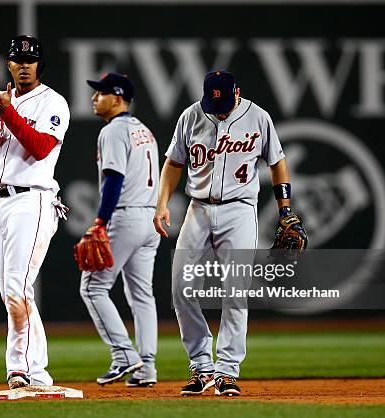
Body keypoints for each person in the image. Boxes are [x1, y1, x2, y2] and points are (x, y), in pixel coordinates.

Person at [153, 70, 300, 396]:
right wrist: (161, 203)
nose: (218, 110)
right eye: (212, 103)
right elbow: (174, 163)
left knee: (235, 291)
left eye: (224, 102)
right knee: (181, 286)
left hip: (240, 210)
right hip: (198, 208)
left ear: (236, 92)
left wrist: (285, 209)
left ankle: (227, 371)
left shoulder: (258, 117)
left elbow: (277, 162)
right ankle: (202, 367)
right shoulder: (191, 116)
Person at [0, 35, 70, 389]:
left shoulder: (53, 102)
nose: (24, 64)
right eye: (17, 59)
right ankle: (37, 371)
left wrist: (5, 110)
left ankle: (20, 370)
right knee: (14, 291)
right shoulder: (1, 102)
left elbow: (40, 148)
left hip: (34, 200)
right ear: (9, 64)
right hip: (3, 204)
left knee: (17, 288)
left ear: (40, 64)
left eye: (31, 59)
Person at [78, 73, 160, 387]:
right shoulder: (144, 130)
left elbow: (114, 178)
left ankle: (124, 354)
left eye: (99, 93)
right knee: (142, 295)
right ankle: (147, 367)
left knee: (92, 288)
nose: (93, 99)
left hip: (125, 218)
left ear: (117, 97)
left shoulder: (113, 131)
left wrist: (100, 221)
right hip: (149, 220)